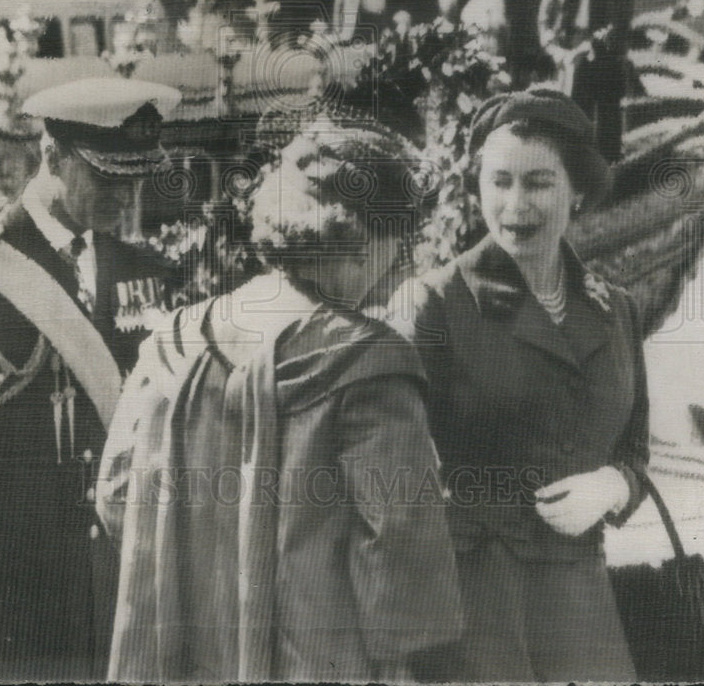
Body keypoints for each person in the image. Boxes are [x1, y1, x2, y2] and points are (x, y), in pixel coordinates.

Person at [98, 115, 464, 684]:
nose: (399, 264)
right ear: (368, 237)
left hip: (176, 658)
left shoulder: (172, 338)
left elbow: (118, 497)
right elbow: (399, 553)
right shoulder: (370, 363)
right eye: (401, 241)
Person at [0, 77, 184, 683]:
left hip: (120, 591)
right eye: (105, 176)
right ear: (51, 158)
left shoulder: (148, 273)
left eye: (133, 178)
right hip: (9, 600)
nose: (124, 195)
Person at [391, 88, 650, 682]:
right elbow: (391, 464)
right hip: (473, 599)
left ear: (578, 189)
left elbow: (634, 450)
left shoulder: (617, 310)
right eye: (499, 181)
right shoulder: (432, 303)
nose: (515, 205)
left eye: (538, 183)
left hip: (580, 593)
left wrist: (613, 486)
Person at [540, 0, 635, 162]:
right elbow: (545, 19)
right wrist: (554, 48)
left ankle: (608, 174)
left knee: (605, 126)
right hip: (567, 49)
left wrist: (589, 46)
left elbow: (619, 22)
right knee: (567, 120)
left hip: (601, 53)